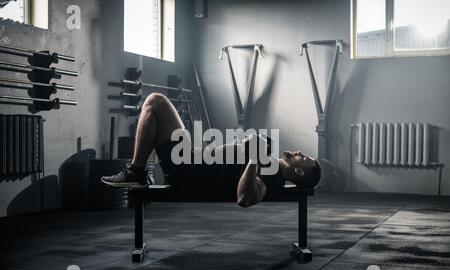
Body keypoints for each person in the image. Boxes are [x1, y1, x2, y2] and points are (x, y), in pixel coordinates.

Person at [101, 93, 321, 207]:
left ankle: (136, 172)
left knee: (155, 102)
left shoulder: (274, 178)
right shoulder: (270, 159)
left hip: (187, 169)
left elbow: (244, 199)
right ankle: (137, 171)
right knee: (155, 103)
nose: (301, 152)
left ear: (300, 172)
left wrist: (253, 156)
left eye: (306, 158)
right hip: (192, 156)